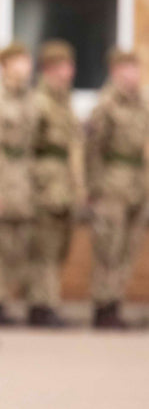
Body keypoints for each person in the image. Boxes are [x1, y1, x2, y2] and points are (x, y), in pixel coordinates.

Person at [85, 48, 147, 329]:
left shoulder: (143, 103)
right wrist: (93, 188)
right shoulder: (106, 105)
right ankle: (103, 305)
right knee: (108, 247)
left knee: (128, 249)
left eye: (136, 68)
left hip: (137, 182)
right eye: (127, 69)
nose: (133, 75)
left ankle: (116, 302)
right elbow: (93, 151)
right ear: (115, 72)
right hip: (112, 183)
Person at [26, 40, 81, 326]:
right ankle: (41, 304)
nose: (67, 72)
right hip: (45, 184)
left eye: (69, 66)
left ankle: (49, 300)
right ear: (47, 69)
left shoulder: (65, 102)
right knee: (43, 248)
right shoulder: (39, 102)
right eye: (61, 66)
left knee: (59, 247)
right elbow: (27, 147)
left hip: (64, 184)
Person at [0, 44, 36, 325]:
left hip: (21, 175)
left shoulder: (29, 98)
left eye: (26, 61)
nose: (25, 67)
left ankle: (3, 297)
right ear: (4, 65)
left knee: (16, 242)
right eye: (19, 61)